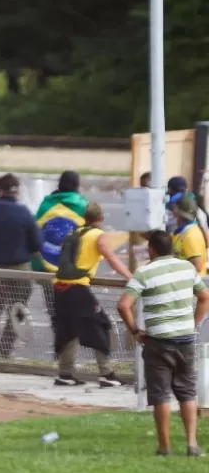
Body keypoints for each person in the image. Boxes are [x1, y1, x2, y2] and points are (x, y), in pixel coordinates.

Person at [117, 230, 209, 457]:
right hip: (186, 338)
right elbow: (205, 297)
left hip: (158, 341)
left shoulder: (145, 272)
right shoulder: (187, 268)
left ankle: (165, 447)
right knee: (187, 392)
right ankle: (191, 445)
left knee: (160, 395)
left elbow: (123, 305)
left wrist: (135, 330)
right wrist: (193, 323)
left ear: (152, 249)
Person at [51, 202, 131, 387]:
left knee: (68, 330)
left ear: (85, 218)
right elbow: (111, 258)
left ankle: (65, 374)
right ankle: (106, 374)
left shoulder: (74, 233)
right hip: (77, 289)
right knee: (100, 324)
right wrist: (130, 277)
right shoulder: (98, 235)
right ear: (100, 219)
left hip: (60, 288)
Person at [0, 173, 44, 357]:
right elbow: (37, 244)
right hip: (20, 269)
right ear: (17, 191)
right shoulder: (24, 213)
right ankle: (5, 349)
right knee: (18, 309)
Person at [171, 193, 207, 276]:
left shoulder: (190, 235)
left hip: (191, 286)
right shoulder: (182, 232)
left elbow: (197, 267)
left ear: (177, 211)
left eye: (173, 208)